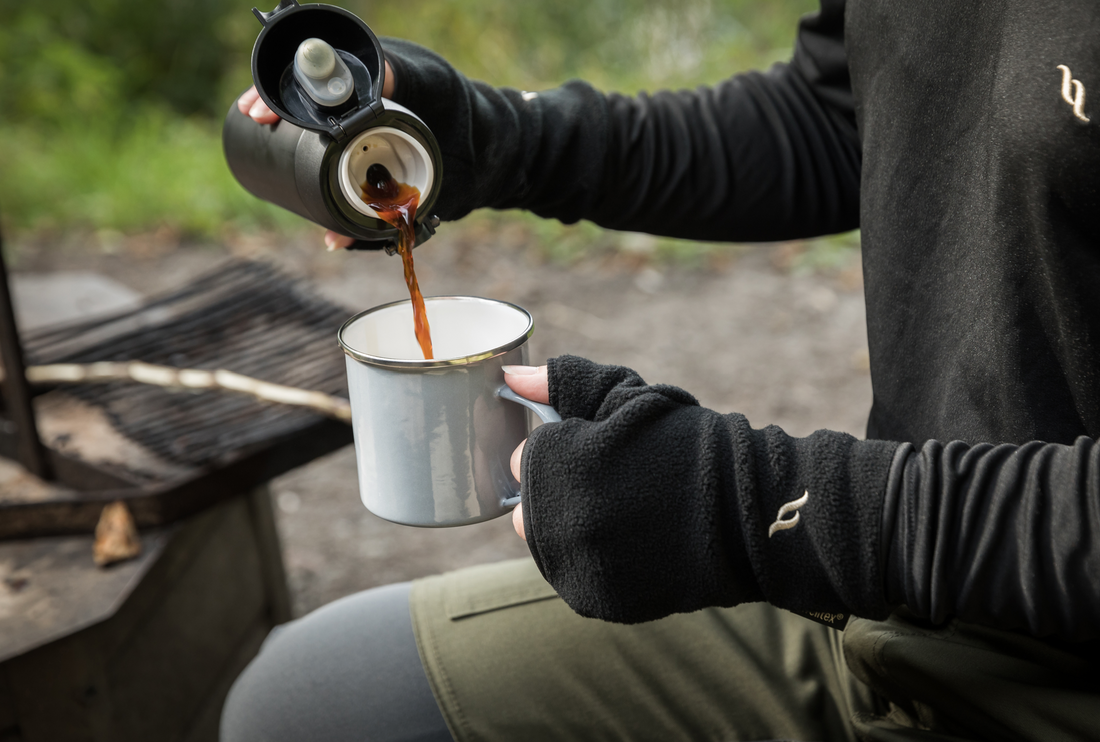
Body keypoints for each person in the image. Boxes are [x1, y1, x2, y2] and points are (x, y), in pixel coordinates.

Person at [222, 1, 1100, 740]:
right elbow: (841, 112)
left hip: (1050, 666)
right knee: (304, 701)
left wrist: (763, 507)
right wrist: (505, 139)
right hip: (892, 603)